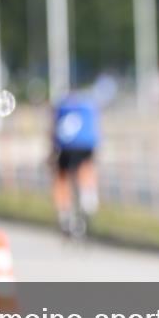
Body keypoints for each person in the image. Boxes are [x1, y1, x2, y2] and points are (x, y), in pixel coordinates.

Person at [51, 90, 101, 237]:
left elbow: (54, 132)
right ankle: (89, 197)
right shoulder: (88, 107)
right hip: (86, 146)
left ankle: (64, 212)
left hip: (66, 148)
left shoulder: (61, 108)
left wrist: (51, 152)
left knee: (62, 177)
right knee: (87, 167)